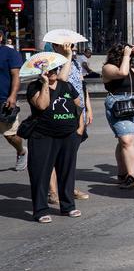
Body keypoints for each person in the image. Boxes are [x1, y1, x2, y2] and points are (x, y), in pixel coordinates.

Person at [25, 56, 84, 223]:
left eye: (54, 69)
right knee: (40, 173)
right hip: (43, 136)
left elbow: (78, 105)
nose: (52, 73)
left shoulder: (66, 86)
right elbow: (42, 105)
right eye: (48, 70)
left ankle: (68, 206)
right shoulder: (34, 87)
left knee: (67, 172)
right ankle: (41, 210)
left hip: (68, 135)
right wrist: (44, 84)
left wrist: (80, 128)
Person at [102, 43, 134, 188]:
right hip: (118, 103)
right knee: (126, 140)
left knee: (125, 142)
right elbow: (122, 73)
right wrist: (126, 55)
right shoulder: (108, 68)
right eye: (127, 55)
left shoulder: (130, 67)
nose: (129, 57)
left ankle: (122, 173)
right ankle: (130, 176)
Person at [51, 41, 91, 203]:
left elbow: (81, 85)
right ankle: (53, 192)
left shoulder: (75, 61)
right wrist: (67, 57)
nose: (72, 46)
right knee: (53, 154)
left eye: (72, 44)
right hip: (59, 112)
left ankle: (67, 188)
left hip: (76, 112)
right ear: (55, 46)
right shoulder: (52, 61)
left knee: (69, 153)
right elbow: (61, 80)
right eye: (67, 44)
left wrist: (87, 107)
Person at [0, 28, 25, 170]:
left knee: (10, 136)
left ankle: (21, 151)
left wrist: (13, 95)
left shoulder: (9, 53)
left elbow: (16, 75)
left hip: (4, 101)